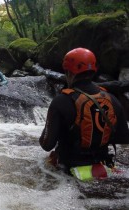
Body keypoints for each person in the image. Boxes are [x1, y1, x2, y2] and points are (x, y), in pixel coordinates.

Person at [39, 47, 129, 177]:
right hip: (103, 168)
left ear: (69, 72)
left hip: (68, 172)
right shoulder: (112, 99)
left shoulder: (61, 101)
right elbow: (123, 138)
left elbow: (46, 144)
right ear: (93, 70)